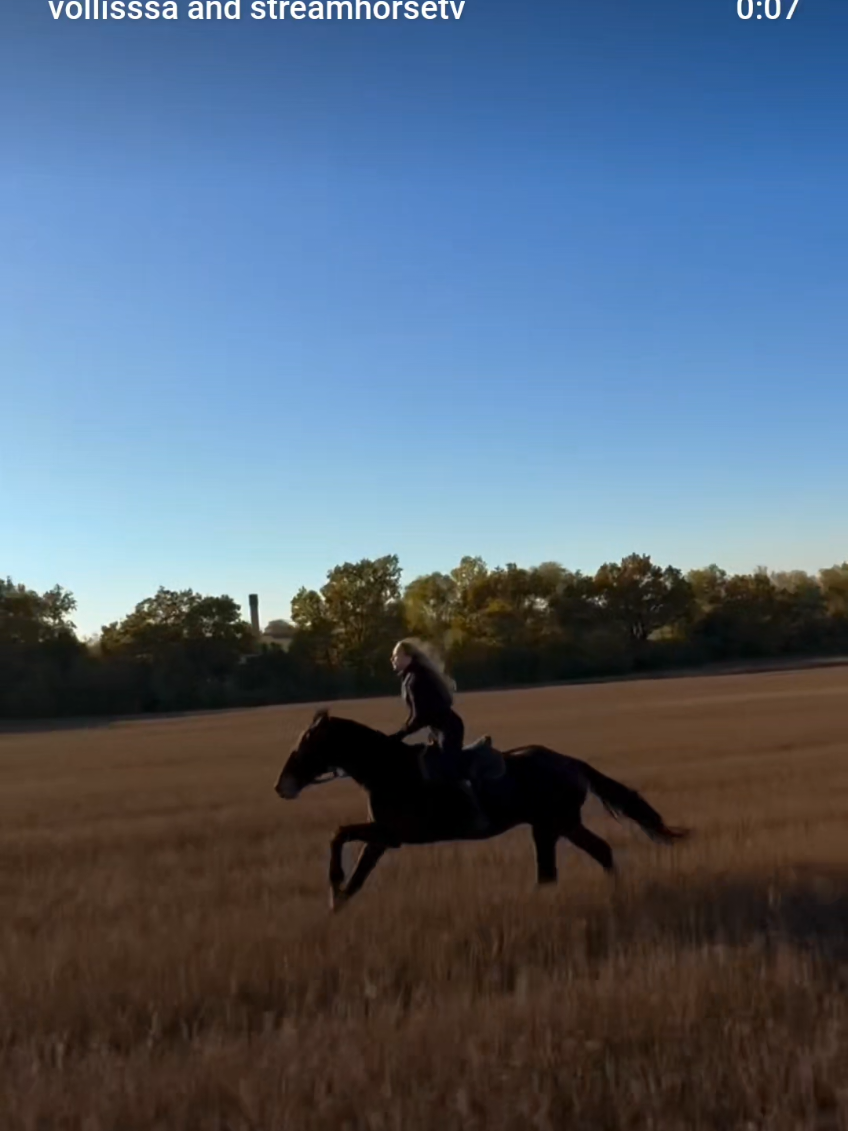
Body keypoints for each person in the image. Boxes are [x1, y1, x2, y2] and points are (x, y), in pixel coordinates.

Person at [389, 638, 488, 834]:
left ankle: (475, 814)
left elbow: (420, 717)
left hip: (448, 729)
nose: (392, 659)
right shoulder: (410, 676)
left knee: (448, 771)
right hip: (439, 729)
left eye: (395, 655)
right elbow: (418, 715)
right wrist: (401, 733)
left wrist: (398, 735)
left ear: (408, 657)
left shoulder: (417, 678)